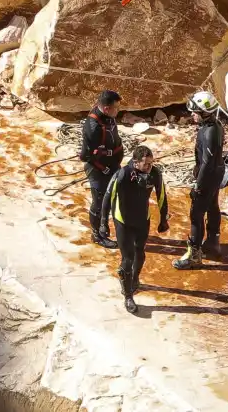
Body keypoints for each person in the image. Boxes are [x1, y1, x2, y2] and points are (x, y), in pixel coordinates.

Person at [99, 145, 169, 313]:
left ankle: (134, 279)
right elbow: (108, 197)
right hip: (123, 220)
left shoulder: (154, 173)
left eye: (151, 163)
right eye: (146, 164)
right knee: (127, 259)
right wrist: (103, 222)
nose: (149, 167)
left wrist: (163, 219)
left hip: (142, 220)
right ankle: (128, 296)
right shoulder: (123, 174)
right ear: (136, 162)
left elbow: (161, 195)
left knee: (140, 252)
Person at [174, 91, 225, 269]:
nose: (192, 114)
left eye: (195, 111)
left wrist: (198, 185)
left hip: (209, 175)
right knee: (212, 206)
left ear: (205, 113)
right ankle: (212, 243)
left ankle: (194, 254)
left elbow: (207, 163)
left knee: (196, 213)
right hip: (216, 172)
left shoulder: (210, 131)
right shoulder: (213, 125)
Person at [80, 90, 124, 248]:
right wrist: (103, 168)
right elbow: (85, 156)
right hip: (98, 170)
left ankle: (108, 229)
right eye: (116, 108)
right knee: (99, 202)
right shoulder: (93, 126)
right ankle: (97, 235)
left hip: (113, 165)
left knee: (115, 198)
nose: (118, 111)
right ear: (106, 109)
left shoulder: (109, 117)